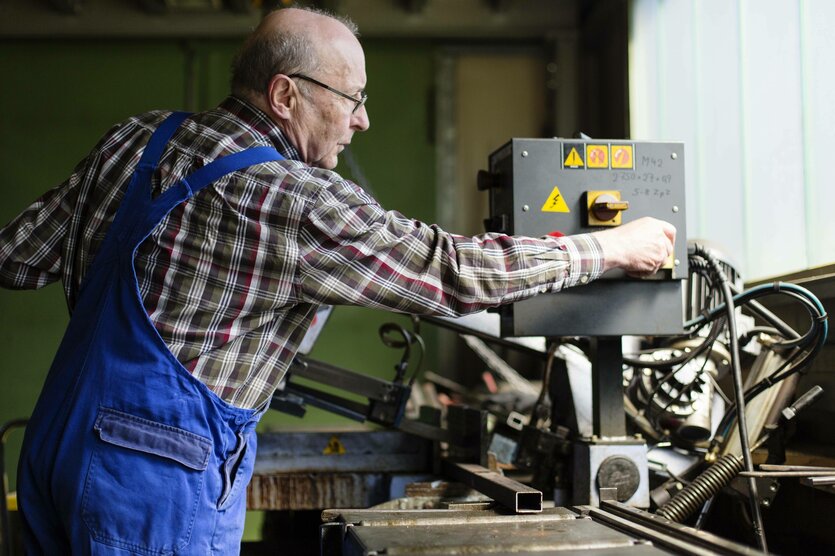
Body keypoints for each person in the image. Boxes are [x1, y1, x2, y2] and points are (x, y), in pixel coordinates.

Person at [0, 6, 675, 553]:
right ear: (286, 93)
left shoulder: (135, 140)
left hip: (53, 441)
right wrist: (609, 249)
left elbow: (18, 258)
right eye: (352, 98)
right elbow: (454, 273)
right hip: (152, 475)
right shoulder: (293, 198)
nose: (362, 119)